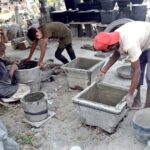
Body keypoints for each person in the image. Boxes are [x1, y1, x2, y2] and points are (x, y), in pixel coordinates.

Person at [93, 21, 150, 108]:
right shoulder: (114, 38)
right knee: (134, 75)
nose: (104, 52)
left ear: (111, 46)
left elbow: (137, 71)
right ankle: (137, 101)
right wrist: (103, 70)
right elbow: (116, 53)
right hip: (142, 39)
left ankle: (147, 107)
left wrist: (130, 94)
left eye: (104, 51)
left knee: (149, 77)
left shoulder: (129, 45)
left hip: (147, 37)